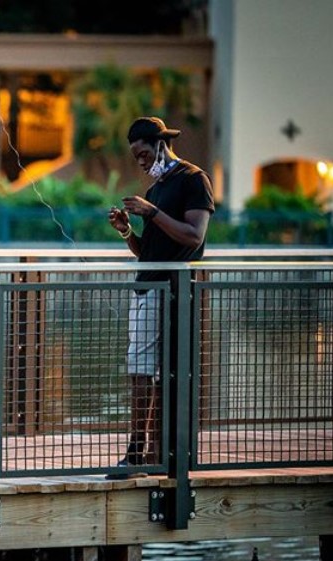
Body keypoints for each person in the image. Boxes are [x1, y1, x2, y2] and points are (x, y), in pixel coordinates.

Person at [106, 116, 215, 479]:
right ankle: (147, 453)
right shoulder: (154, 190)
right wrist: (126, 231)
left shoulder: (192, 179)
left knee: (154, 372)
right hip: (147, 288)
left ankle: (144, 454)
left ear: (160, 145)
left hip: (172, 292)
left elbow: (193, 236)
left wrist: (152, 212)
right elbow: (146, 251)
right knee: (144, 372)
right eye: (135, 157)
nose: (139, 161)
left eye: (143, 154)